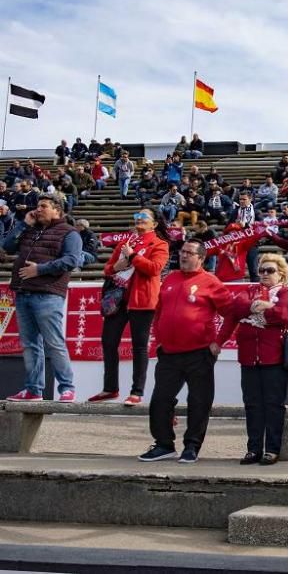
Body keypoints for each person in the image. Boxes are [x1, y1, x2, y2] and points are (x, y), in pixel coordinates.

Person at [138, 240, 233, 463]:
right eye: (182, 252)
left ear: (201, 258)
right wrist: (159, 340)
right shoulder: (170, 278)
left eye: (189, 253)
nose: (184, 256)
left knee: (199, 401)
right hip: (169, 353)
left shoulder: (211, 282)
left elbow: (231, 313)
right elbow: (159, 312)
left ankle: (192, 446)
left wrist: (219, 342)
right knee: (160, 400)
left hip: (199, 353)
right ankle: (163, 444)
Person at [217, 253, 288, 465]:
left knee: (273, 404)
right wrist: (258, 308)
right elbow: (237, 308)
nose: (264, 274)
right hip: (249, 357)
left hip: (275, 358)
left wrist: (260, 312)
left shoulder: (287, 291)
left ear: (281, 274)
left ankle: (272, 449)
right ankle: (253, 449)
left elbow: (284, 313)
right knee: (252, 404)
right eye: (261, 270)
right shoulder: (249, 291)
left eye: (269, 271)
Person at [3, 196, 83, 402]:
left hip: (47, 294)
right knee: (30, 345)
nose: (38, 210)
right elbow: (8, 247)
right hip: (23, 292)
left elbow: (72, 260)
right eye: (37, 206)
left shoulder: (69, 232)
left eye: (43, 206)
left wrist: (39, 270)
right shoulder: (29, 228)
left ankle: (67, 388)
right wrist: (23, 223)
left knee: (53, 342)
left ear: (57, 210)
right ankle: (33, 390)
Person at [89, 209, 169, 405]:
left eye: (144, 218)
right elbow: (107, 269)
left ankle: (137, 391)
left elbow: (154, 269)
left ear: (154, 224)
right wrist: (116, 266)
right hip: (118, 299)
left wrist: (133, 257)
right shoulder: (126, 243)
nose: (138, 220)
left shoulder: (160, 244)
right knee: (108, 341)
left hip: (142, 300)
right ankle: (110, 388)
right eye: (136, 217)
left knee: (139, 346)